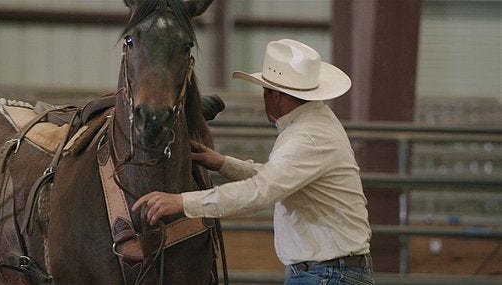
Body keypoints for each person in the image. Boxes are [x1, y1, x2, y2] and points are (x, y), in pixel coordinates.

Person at [132, 39, 374, 284]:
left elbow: (260, 192)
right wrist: (223, 163)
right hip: (329, 273)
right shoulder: (315, 125)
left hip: (325, 275)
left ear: (275, 95)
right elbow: (278, 178)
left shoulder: (306, 138)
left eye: (265, 91)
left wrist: (181, 202)